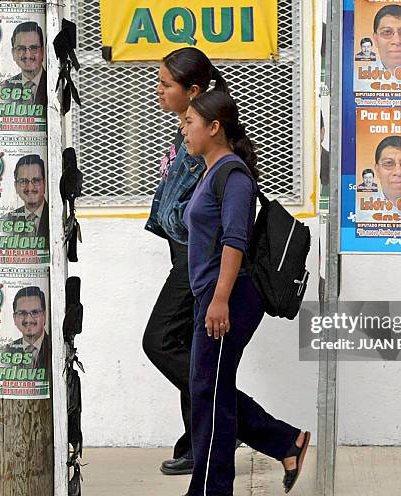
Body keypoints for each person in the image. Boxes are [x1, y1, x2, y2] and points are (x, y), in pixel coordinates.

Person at [182, 91, 310, 496]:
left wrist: (219, 300)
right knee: (207, 391)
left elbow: (235, 241)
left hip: (230, 296)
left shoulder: (233, 176)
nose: (183, 129)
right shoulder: (210, 170)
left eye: (189, 122)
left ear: (214, 128)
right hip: (214, 294)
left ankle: (212, 490)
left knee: (211, 395)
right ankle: (275, 448)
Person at [142, 47, 229, 476]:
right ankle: (198, 445)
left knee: (158, 341)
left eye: (166, 85)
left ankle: (230, 413)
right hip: (184, 253)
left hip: (197, 259)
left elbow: (191, 211)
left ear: (192, 91)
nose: (158, 91)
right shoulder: (186, 132)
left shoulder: (203, 140)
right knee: (184, 345)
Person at [3, 286, 50, 370]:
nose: (28, 319)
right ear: (14, 318)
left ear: (44, 315)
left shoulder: (56, 346)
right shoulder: (5, 351)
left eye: (35, 312)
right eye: (22, 313)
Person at [2, 21, 47, 106]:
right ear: (13, 53)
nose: (28, 55)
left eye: (33, 48)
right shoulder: (4, 88)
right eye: (21, 48)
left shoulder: (53, 84)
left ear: (42, 51)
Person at [4, 154, 49, 238]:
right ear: (16, 186)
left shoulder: (54, 216)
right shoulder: (6, 220)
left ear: (45, 184)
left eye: (35, 180)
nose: (30, 188)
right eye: (23, 181)